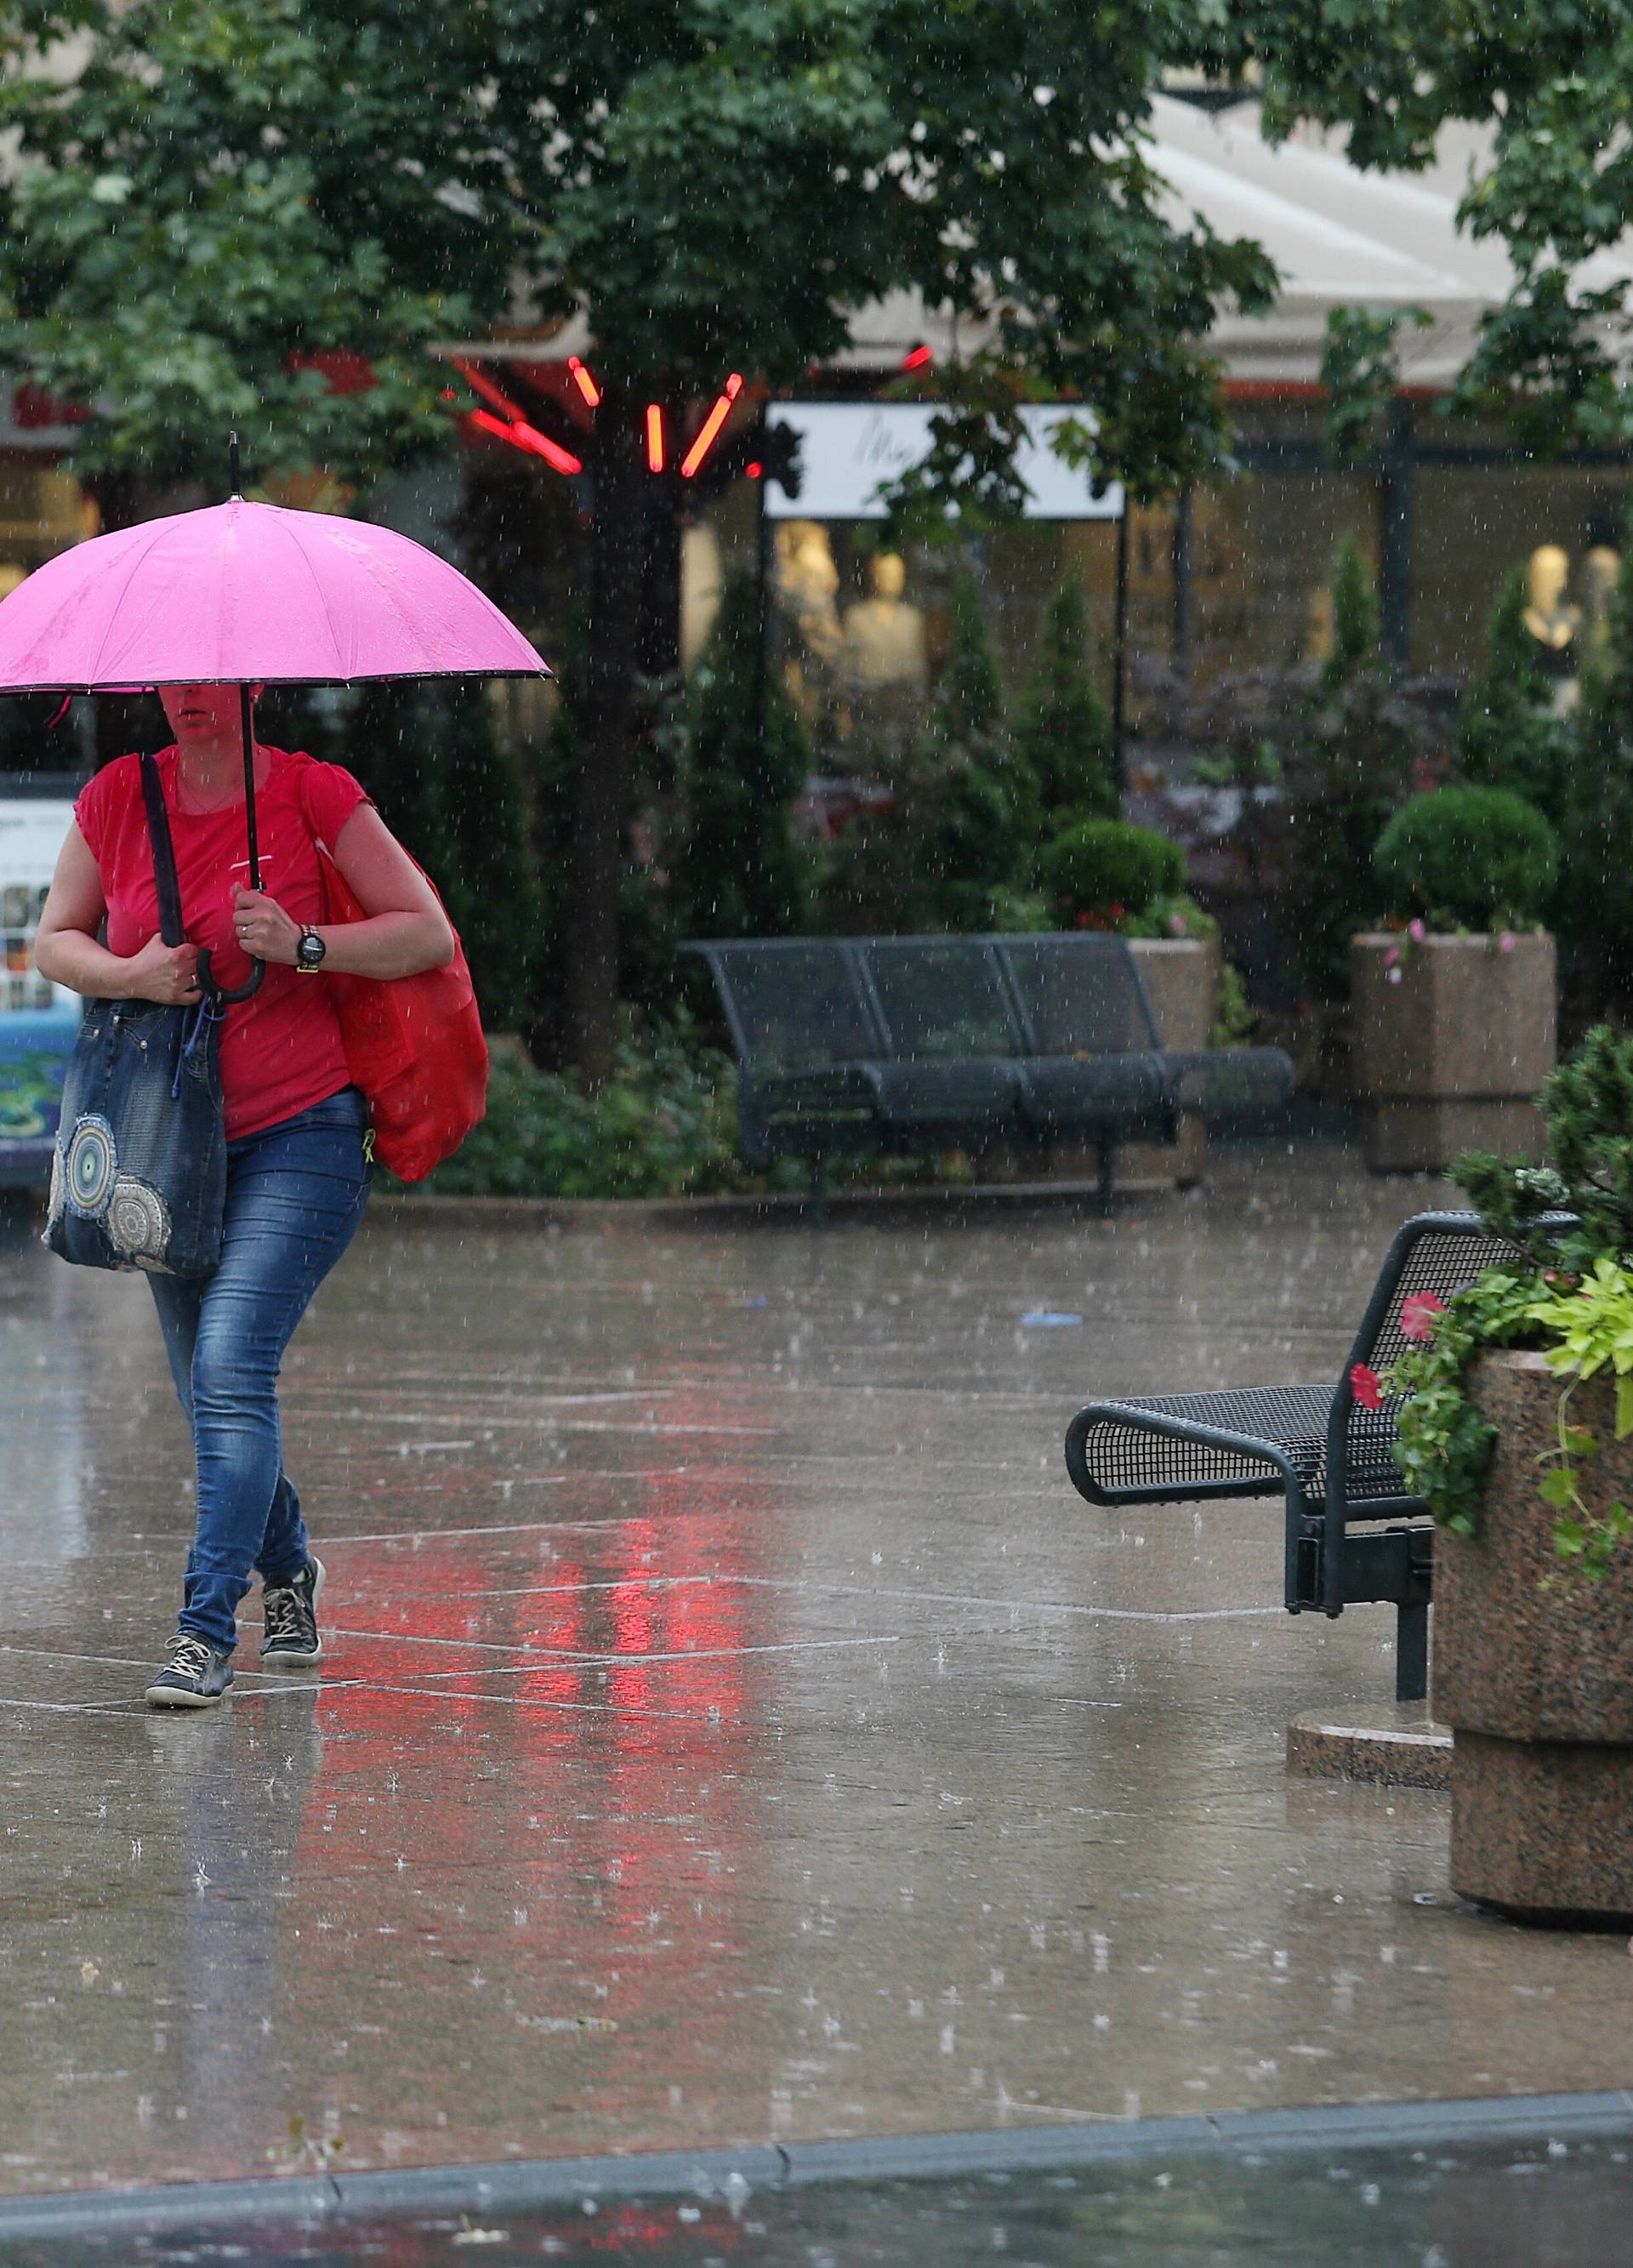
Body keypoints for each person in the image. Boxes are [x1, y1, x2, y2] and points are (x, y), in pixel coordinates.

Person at [35, 684, 454, 1709]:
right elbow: (54, 940)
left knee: (227, 1366)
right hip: (170, 1146)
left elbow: (427, 934)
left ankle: (202, 1628)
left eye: (208, 680)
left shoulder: (316, 795)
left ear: (252, 684)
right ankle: (293, 1569)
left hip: (303, 1135)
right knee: (209, 1392)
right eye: (170, 681)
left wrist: (308, 942)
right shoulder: (118, 799)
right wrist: (132, 973)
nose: (187, 699)